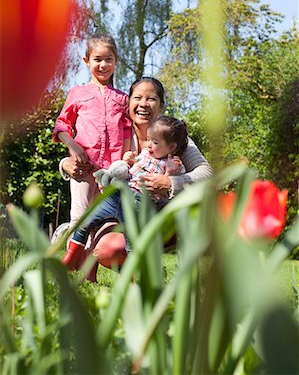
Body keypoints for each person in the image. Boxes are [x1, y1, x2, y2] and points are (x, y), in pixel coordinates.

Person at [59, 77, 213, 277]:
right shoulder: (116, 133)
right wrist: (64, 163)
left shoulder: (173, 136)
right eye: (137, 98)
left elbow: (206, 174)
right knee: (107, 249)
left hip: (159, 215)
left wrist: (170, 182)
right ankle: (143, 271)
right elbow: (93, 157)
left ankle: (155, 272)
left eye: (151, 99)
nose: (143, 104)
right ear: (128, 103)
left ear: (161, 105)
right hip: (121, 212)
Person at [62, 115, 188, 269]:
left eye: (154, 142)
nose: (148, 145)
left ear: (171, 147)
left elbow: (167, 189)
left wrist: (169, 174)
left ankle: (139, 275)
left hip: (137, 203)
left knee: (132, 243)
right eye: (148, 139)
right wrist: (128, 160)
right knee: (85, 223)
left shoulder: (174, 164)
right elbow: (130, 170)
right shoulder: (145, 154)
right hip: (116, 194)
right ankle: (69, 260)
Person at [52, 34, 132, 253]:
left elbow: (126, 131)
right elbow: (61, 125)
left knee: (102, 220)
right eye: (97, 59)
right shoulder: (77, 93)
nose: (103, 65)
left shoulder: (122, 99)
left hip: (110, 172)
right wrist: (74, 147)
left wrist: (122, 161)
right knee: (80, 216)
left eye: (108, 59)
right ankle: (73, 264)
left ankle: (90, 269)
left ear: (116, 62)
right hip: (84, 168)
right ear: (87, 61)